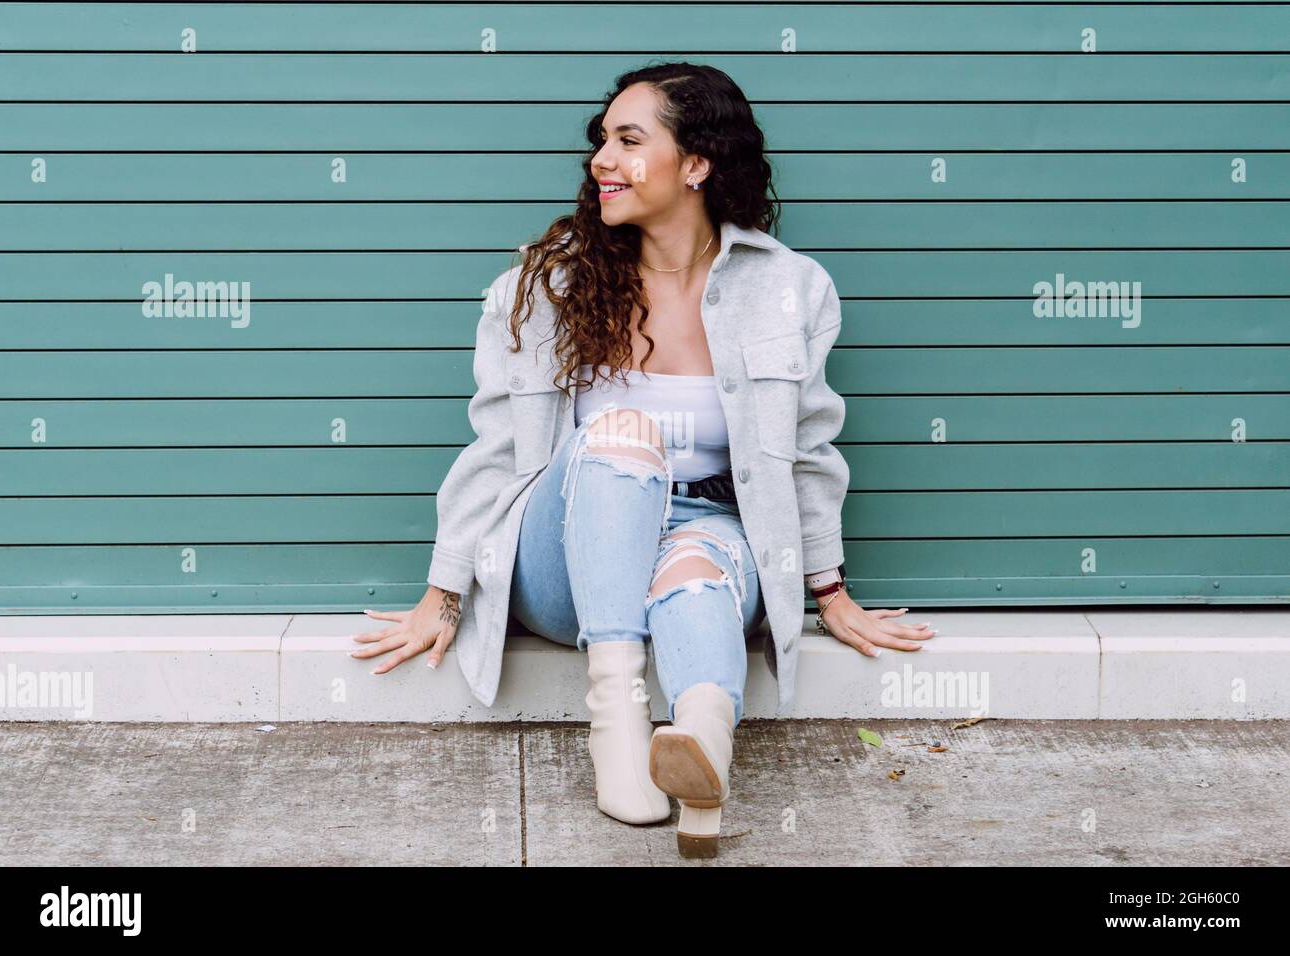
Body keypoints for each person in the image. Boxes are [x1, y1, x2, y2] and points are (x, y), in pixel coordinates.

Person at [352, 62, 935, 858]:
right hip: (565, 563)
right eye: (602, 140)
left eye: (630, 140)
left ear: (696, 163)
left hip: (707, 528)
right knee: (624, 431)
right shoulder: (547, 284)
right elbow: (495, 447)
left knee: (698, 577)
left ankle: (701, 752)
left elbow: (807, 453)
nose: (602, 159)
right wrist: (444, 593)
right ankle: (619, 725)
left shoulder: (791, 288)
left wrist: (827, 590)